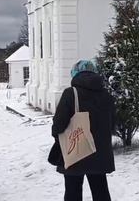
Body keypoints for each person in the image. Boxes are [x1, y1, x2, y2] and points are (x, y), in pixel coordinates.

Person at [51, 60, 115, 201]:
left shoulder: (70, 93)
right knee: (101, 190)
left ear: (75, 74)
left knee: (72, 191)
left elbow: (59, 125)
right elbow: (112, 124)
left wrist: (57, 136)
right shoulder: (106, 94)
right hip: (99, 151)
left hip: (75, 150)